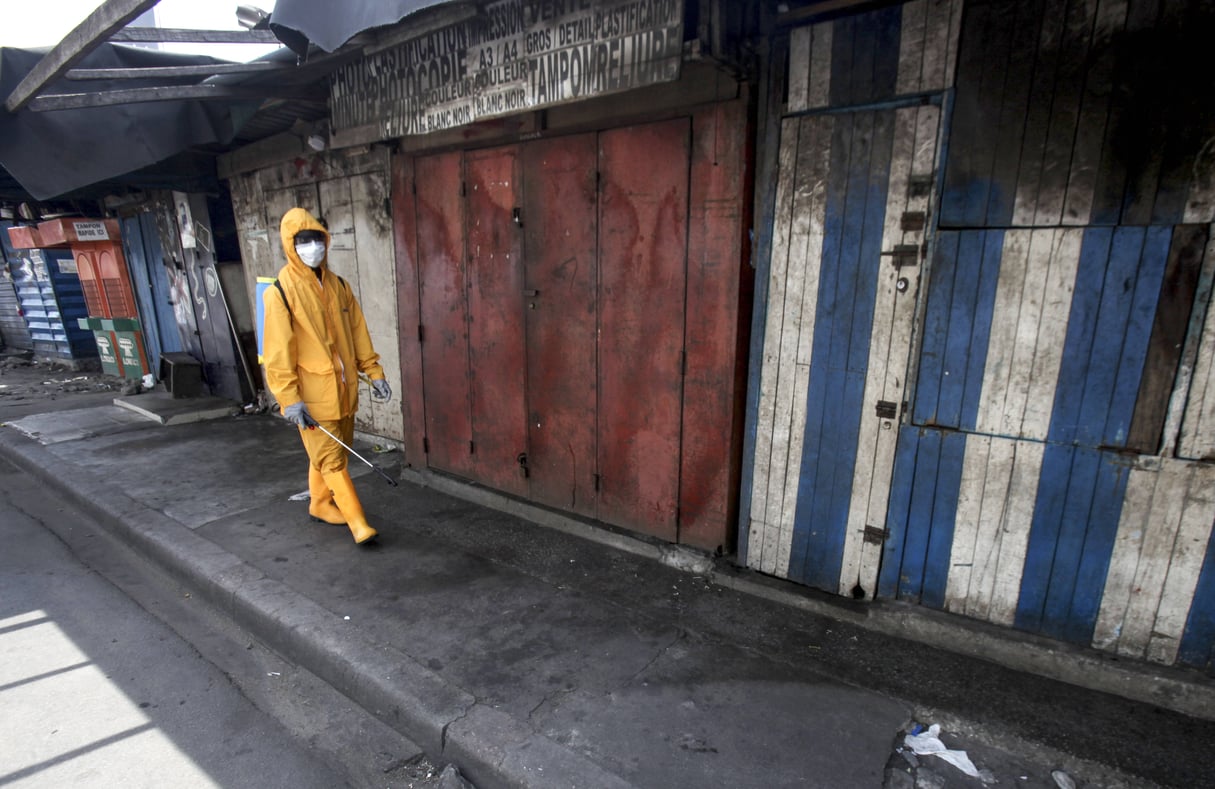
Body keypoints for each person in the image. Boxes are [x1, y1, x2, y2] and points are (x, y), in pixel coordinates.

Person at [262, 207, 392, 544]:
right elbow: (278, 353)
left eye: (317, 238)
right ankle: (358, 523)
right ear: (290, 245)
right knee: (333, 462)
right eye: (303, 240)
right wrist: (288, 399)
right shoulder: (279, 292)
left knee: (332, 453)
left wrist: (374, 373)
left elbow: (358, 333)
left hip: (344, 391)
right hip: (311, 398)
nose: (312, 246)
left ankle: (319, 503)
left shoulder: (339, 286)